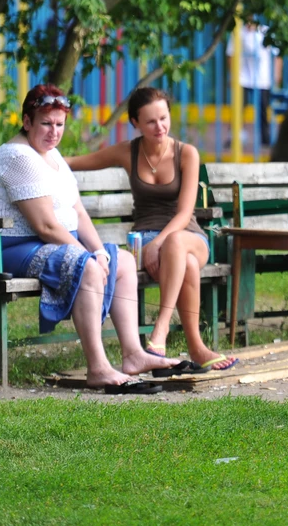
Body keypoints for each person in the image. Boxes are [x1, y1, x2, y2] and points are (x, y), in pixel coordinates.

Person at [0, 84, 180, 393]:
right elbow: (45, 226)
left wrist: (100, 251)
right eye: (46, 123)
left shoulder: (52, 155)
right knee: (89, 267)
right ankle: (97, 368)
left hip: (47, 244)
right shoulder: (18, 157)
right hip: (7, 248)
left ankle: (133, 354)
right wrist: (89, 256)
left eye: (59, 124)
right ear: (27, 121)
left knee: (122, 261)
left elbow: (77, 211)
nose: (54, 132)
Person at [67, 87, 238, 371]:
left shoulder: (187, 153)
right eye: (150, 121)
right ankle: (197, 348)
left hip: (188, 235)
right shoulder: (128, 151)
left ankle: (161, 329)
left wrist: (159, 243)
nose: (159, 127)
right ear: (135, 123)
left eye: (163, 118)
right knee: (188, 265)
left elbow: (185, 213)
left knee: (177, 244)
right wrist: (35, 154)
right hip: (146, 239)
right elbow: (74, 163)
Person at [225, 16, 282, 147]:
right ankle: (235, 137)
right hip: (242, 77)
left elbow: (278, 55)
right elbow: (230, 55)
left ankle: (265, 138)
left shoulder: (267, 32)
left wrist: (277, 74)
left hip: (262, 78)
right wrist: (233, 75)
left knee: (263, 108)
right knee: (238, 108)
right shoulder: (238, 32)